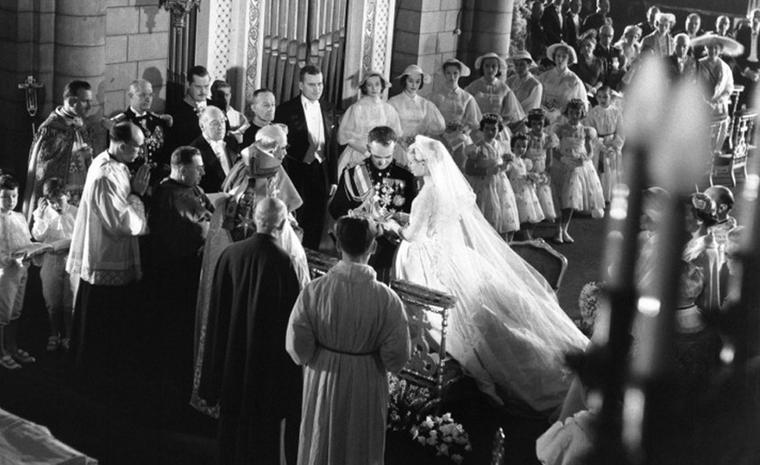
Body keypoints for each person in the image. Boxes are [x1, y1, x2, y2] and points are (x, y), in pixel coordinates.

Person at [389, 135, 588, 412]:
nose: (409, 165)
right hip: (455, 253)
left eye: (413, 161)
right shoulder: (444, 190)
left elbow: (414, 234)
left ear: (427, 163)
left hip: (430, 257)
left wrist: (391, 225)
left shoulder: (426, 194)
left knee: (453, 316)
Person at [191, 124, 309, 415]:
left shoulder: (246, 168)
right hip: (259, 268)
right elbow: (276, 221)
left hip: (235, 262)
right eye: (281, 147)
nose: (284, 151)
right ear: (268, 148)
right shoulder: (267, 175)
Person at [286, 216, 411, 465]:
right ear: (373, 248)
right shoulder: (387, 299)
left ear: (338, 246)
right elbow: (396, 356)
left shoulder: (314, 291)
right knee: (358, 445)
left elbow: (297, 346)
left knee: (321, 440)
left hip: (323, 376)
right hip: (365, 379)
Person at [197, 198, 302, 465]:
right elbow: (290, 322)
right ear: (281, 224)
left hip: (231, 357)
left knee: (230, 433)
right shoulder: (283, 263)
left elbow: (217, 313)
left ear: (256, 219)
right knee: (260, 440)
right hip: (265, 366)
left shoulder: (230, 255)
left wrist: (213, 370)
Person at [66, 122, 150, 376]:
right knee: (102, 321)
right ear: (122, 145)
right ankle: (97, 373)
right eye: (137, 147)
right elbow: (120, 223)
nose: (140, 152)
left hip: (109, 253)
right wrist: (137, 195)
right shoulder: (105, 174)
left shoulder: (114, 163)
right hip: (105, 257)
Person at [148, 146, 212, 393]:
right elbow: (195, 231)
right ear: (183, 170)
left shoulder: (191, 188)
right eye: (198, 168)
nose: (203, 172)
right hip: (176, 273)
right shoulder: (169, 195)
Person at [328, 126, 416, 281]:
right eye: (377, 157)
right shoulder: (352, 173)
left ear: (394, 149)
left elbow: (411, 213)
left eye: (388, 157)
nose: (382, 162)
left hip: (390, 248)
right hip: (357, 245)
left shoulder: (405, 176)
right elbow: (336, 209)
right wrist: (354, 215)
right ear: (368, 148)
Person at [274, 64, 339, 250]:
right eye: (312, 84)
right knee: (298, 219)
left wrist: (333, 178)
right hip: (297, 173)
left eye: (320, 84)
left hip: (321, 172)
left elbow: (332, 146)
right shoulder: (286, 110)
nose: (317, 89)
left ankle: (312, 256)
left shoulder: (329, 108)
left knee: (317, 221)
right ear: (301, 85)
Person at [23, 80, 94, 221]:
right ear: (73, 101)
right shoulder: (51, 129)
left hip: (82, 186)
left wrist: (88, 156)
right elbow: (43, 170)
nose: (90, 106)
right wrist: (76, 155)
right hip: (61, 194)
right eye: (85, 101)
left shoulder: (79, 123)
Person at [31, 177, 77, 352]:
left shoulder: (76, 212)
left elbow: (80, 238)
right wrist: (41, 217)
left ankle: (68, 336)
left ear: (67, 195)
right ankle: (54, 334)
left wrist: (65, 245)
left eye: (59, 200)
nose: (56, 205)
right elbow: (38, 237)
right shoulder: (43, 212)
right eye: (51, 202)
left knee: (69, 301)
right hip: (51, 260)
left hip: (71, 260)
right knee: (52, 301)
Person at [551, 99, 605, 244]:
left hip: (578, 167)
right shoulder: (560, 129)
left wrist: (585, 158)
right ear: (567, 113)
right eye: (571, 112)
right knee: (559, 197)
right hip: (561, 165)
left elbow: (590, 151)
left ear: (582, 114)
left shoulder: (586, 131)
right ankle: (558, 230)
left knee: (571, 198)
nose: (574, 115)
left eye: (577, 113)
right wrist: (563, 159)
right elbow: (553, 149)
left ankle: (565, 228)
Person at [464, 114, 520, 240]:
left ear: (498, 129)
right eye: (487, 129)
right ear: (482, 130)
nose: (490, 132)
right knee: (486, 215)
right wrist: (487, 171)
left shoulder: (502, 146)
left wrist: (506, 164)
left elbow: (504, 166)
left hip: (500, 184)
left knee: (503, 216)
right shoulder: (476, 147)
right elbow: (469, 169)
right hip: (483, 185)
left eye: (493, 129)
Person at [0, 174, 36, 370]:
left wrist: (33, 250)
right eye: (5, 197)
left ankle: (11, 346)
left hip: (22, 269)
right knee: (2, 313)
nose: (10, 201)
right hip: (4, 273)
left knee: (15, 311)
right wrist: (9, 260)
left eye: (13, 196)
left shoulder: (20, 217)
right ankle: (1, 352)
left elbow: (26, 242)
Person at [337, 71, 403, 176]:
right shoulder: (356, 108)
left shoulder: (388, 109)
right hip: (360, 151)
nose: (374, 88)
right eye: (369, 85)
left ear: (382, 86)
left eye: (377, 84)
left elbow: (395, 134)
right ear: (365, 87)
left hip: (383, 153)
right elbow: (346, 137)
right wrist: (366, 152)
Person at [111, 79, 173, 188]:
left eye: (150, 95)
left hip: (158, 181)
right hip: (131, 182)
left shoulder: (158, 121)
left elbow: (165, 152)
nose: (148, 99)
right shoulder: (121, 123)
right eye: (142, 95)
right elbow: (116, 158)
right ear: (130, 96)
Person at [428, 58, 482, 169]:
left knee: (458, 169)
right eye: (448, 73)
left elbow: (472, 122)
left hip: (460, 140)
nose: (452, 77)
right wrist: (442, 133)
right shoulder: (435, 96)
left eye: (455, 73)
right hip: (439, 138)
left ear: (460, 74)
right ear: (444, 74)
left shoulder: (467, 98)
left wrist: (462, 132)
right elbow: (430, 120)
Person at [387, 64, 446, 149]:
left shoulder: (426, 104)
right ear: (405, 81)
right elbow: (389, 126)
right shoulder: (394, 102)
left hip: (419, 146)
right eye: (410, 81)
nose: (414, 85)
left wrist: (421, 138)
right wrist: (401, 141)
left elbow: (438, 126)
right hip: (398, 146)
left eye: (417, 81)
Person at [584, 85, 623, 201]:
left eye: (605, 97)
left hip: (612, 144)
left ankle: (610, 195)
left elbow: (621, 131)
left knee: (611, 170)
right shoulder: (593, 113)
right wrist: (600, 145)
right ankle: (599, 196)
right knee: (600, 169)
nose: (602, 100)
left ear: (610, 97)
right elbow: (591, 132)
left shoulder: (616, 112)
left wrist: (615, 145)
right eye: (599, 97)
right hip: (599, 145)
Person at [465, 53, 525, 126]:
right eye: (487, 66)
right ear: (482, 67)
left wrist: (499, 125)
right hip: (478, 127)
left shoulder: (504, 89)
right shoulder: (473, 87)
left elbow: (509, 115)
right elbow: (466, 109)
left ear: (498, 68)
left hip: (496, 128)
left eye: (494, 66)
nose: (490, 69)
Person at [191, 105, 240, 193]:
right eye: (215, 123)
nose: (221, 126)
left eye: (222, 121)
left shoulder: (231, 141)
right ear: (202, 126)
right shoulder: (195, 150)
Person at [506, 133, 545, 239]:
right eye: (518, 146)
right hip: (515, 188)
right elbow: (508, 174)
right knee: (518, 211)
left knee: (528, 212)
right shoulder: (511, 160)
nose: (521, 149)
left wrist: (530, 177)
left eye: (524, 146)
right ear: (512, 146)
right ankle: (517, 234)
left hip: (526, 189)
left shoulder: (524, 161)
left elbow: (524, 173)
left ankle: (526, 234)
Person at [692, 33, 742, 116]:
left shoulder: (725, 68)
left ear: (720, 50)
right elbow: (693, 85)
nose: (713, 51)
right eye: (710, 47)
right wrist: (704, 102)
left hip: (720, 108)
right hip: (700, 107)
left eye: (716, 48)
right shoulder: (698, 65)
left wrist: (720, 100)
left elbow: (729, 87)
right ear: (706, 48)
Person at [538, 42, 588, 122]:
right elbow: (537, 97)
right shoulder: (544, 77)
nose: (560, 59)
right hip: (543, 116)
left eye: (564, 57)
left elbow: (580, 105)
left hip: (564, 118)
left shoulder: (574, 80)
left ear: (569, 59)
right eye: (558, 56)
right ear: (554, 57)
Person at [525, 108, 558, 223]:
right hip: (530, 166)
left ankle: (544, 213)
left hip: (541, 166)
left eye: (540, 124)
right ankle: (532, 214)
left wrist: (547, 171)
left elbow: (549, 158)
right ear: (530, 124)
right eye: (534, 124)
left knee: (543, 190)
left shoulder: (548, 138)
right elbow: (523, 155)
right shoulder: (527, 138)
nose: (537, 127)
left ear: (545, 123)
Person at [168, 65, 212, 149]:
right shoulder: (175, 112)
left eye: (206, 86)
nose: (203, 91)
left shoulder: (217, 106)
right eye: (198, 87)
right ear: (188, 84)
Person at [734, 9, 760, 107]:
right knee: (738, 103)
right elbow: (736, 55)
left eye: (759, 17)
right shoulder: (741, 32)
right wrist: (746, 71)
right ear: (750, 19)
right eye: (755, 17)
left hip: (757, 71)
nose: (756, 20)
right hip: (742, 68)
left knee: (753, 104)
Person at [210, 80, 249, 144]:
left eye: (226, 95)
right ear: (213, 97)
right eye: (221, 96)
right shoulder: (207, 115)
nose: (224, 99)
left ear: (230, 95)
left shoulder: (239, 117)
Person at [571, 34, 606, 101]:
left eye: (589, 45)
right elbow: (573, 77)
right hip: (578, 92)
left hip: (594, 94)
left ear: (594, 47)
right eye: (583, 46)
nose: (586, 48)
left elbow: (601, 80)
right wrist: (585, 85)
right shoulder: (576, 61)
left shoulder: (599, 62)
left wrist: (595, 88)